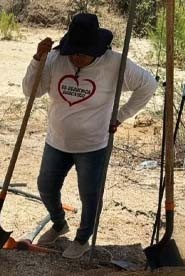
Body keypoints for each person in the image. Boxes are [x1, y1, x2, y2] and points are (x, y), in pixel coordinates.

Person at [24, 13, 157, 259]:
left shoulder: (114, 63)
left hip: (94, 145)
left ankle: (83, 238)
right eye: (73, 51)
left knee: (90, 194)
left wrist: (121, 116)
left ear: (97, 49)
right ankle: (59, 223)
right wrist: (37, 60)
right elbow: (30, 91)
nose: (76, 57)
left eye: (82, 53)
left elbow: (148, 84)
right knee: (46, 186)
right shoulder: (56, 58)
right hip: (57, 140)